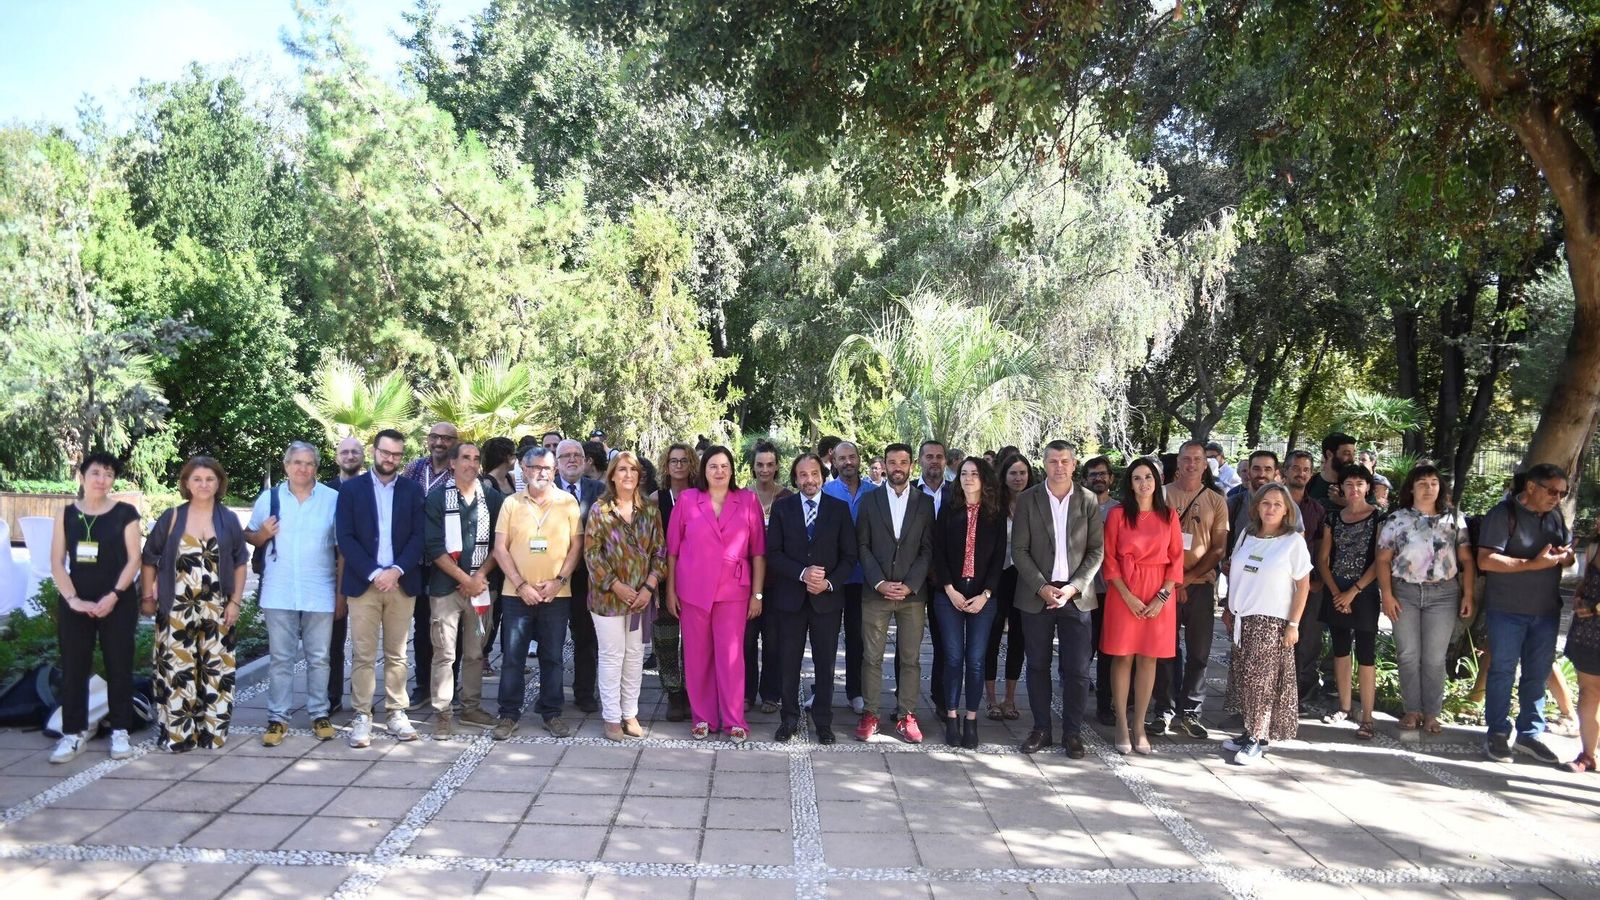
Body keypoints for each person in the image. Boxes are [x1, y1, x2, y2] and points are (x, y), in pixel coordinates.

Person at [141, 456, 249, 752]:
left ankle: (212, 734)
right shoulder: (172, 517)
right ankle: (178, 735)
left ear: (219, 483)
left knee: (217, 672)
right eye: (197, 479)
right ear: (186, 483)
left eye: (210, 479)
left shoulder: (228, 519)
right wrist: (147, 597)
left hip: (218, 607)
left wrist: (235, 602)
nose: (204, 484)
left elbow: (240, 562)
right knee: (177, 671)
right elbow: (149, 558)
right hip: (176, 608)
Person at [665, 445, 767, 742]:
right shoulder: (687, 500)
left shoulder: (747, 500)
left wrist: (757, 595)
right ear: (704, 470)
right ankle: (702, 717)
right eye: (713, 466)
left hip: (734, 591)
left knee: (731, 657)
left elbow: (758, 553)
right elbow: (672, 551)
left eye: (724, 466)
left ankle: (734, 720)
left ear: (732, 470)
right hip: (693, 591)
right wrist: (670, 591)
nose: (719, 471)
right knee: (697, 657)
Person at [47, 452, 142, 764]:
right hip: (76, 602)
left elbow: (134, 559)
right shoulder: (66, 514)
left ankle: (121, 731)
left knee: (119, 665)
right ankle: (73, 734)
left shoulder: (125, 513)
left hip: (118, 601)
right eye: (96, 473)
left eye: (109, 474)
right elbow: (57, 562)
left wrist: (114, 595)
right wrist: (73, 599)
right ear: (82, 476)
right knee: (74, 667)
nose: (102, 480)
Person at [1012, 441, 1105, 758]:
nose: (1059, 467)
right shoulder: (1028, 499)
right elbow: (1019, 550)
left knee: (1077, 669)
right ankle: (1041, 729)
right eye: (1053, 461)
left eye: (1065, 461)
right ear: (1044, 464)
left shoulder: (1088, 500)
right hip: (1037, 594)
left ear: (1074, 464)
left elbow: (1096, 550)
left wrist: (1074, 587)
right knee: (1037, 665)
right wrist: (1041, 586)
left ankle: (1072, 733)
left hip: (1076, 596)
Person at [1477, 462, 1573, 764]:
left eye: (1562, 493)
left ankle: (1529, 734)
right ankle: (1497, 732)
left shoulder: (1555, 516)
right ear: (1531, 486)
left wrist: (1566, 557)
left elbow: (1568, 555)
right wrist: (1531, 564)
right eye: (1552, 491)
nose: (1557, 498)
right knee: (1502, 670)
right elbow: (1485, 560)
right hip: (1507, 609)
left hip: (1546, 611)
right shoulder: (1502, 514)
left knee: (1537, 673)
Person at [245, 442, 340, 747]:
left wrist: (341, 593)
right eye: (297, 462)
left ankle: (319, 713)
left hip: (319, 588)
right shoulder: (269, 498)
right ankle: (277, 717)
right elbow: (250, 534)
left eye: (309, 463)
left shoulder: (332, 499)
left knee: (320, 658)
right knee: (281, 658)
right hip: (279, 589)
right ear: (286, 466)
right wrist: (262, 535)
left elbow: (342, 548)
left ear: (316, 467)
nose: (303, 468)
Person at [337, 430, 427, 748]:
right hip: (365, 583)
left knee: (398, 653)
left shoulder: (412, 490)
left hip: (401, 582)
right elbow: (345, 537)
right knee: (363, 653)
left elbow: (419, 536)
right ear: (374, 451)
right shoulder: (352, 490)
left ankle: (396, 712)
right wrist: (376, 573)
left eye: (396, 454)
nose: (390, 459)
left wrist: (396, 570)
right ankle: (362, 714)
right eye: (385, 452)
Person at [1375, 464, 1475, 734]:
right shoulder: (1397, 519)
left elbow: (1466, 559)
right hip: (1405, 592)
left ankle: (1432, 713)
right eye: (1422, 483)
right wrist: (1387, 594)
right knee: (1407, 654)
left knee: (1434, 657)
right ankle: (1411, 710)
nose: (1429, 488)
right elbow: (1382, 559)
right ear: (1412, 488)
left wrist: (1468, 594)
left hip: (1443, 594)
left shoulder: (1454, 518)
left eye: (1433, 482)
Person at [492, 446, 583, 739]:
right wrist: (521, 585)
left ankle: (551, 713)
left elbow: (577, 547)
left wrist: (559, 581)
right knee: (513, 657)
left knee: (552, 657)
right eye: (535, 467)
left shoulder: (568, 502)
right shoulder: (511, 504)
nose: (541, 473)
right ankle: (508, 715)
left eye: (547, 468)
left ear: (554, 471)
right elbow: (500, 549)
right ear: (524, 469)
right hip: (516, 594)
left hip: (556, 594)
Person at [766, 453, 857, 743]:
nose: (809, 480)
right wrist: (802, 573)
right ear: (795, 478)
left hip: (826, 601)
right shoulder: (783, 508)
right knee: (788, 663)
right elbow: (773, 553)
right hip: (790, 599)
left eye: (814, 474)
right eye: (803, 475)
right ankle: (789, 719)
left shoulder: (838, 509)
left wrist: (828, 583)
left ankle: (824, 722)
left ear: (822, 476)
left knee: (825, 664)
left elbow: (849, 556)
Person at [1223, 483, 1313, 765]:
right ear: (1257, 506)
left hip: (1270, 622)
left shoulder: (1293, 541)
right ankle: (1251, 731)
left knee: (1262, 682)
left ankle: (1256, 738)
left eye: (1277, 504)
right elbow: (1236, 573)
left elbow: (1303, 585)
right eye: (1265, 503)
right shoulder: (1247, 535)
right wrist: (1228, 608)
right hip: (1242, 618)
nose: (1270, 508)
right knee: (1245, 680)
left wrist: (1294, 624)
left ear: (1286, 510)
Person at [1101, 457, 1184, 755]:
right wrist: (1128, 596)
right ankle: (1122, 723)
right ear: (1129, 483)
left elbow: (1177, 559)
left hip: (1158, 594)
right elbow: (1109, 558)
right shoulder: (1117, 515)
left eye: (1148, 477)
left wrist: (1161, 597)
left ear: (1157, 481)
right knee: (1123, 657)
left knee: (1149, 659)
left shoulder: (1169, 515)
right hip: (1124, 592)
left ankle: (1139, 726)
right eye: (1137, 478)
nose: (1143, 483)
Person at [855, 442, 935, 743]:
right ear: (885, 465)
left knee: (911, 659)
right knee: (871, 658)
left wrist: (910, 584)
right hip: (876, 593)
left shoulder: (924, 502)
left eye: (903, 462)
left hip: (911, 595)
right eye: (892, 462)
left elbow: (927, 549)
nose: (897, 467)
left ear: (911, 465)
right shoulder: (869, 500)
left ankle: (906, 715)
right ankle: (871, 713)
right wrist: (879, 582)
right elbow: (862, 545)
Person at [423, 441, 503, 738]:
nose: (471, 463)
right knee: (444, 653)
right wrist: (463, 578)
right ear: (453, 463)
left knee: (474, 653)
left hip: (482, 587)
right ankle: (443, 712)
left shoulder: (492, 498)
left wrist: (478, 576)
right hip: (446, 589)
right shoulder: (436, 499)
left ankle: (471, 707)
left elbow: (500, 544)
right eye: (465, 458)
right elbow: (434, 546)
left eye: (476, 458)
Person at [584, 451, 665, 742]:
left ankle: (630, 713)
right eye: (621, 469)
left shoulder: (650, 511)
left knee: (634, 656)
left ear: (640, 475)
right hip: (607, 598)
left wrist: (649, 587)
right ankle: (611, 716)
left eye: (632, 469)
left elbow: (660, 553)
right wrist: (616, 586)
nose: (628, 474)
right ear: (612, 476)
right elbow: (592, 555)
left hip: (641, 598)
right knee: (612, 656)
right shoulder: (600, 510)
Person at [1151, 440, 1228, 740]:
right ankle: (1164, 710)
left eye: (1198, 459)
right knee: (1165, 650)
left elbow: (1218, 548)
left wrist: (1188, 577)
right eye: (1186, 458)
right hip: (1165, 586)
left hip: (1200, 586)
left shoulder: (1216, 500)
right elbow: (1152, 541)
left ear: (1205, 464)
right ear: (1178, 462)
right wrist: (1173, 580)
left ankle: (1191, 711)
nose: (1192, 464)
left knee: (1199, 652)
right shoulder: (1161, 495)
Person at [930, 457, 1007, 748]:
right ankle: (951, 717)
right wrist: (949, 589)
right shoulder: (948, 508)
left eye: (974, 473)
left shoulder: (995, 513)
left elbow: (999, 558)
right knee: (952, 658)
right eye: (963, 473)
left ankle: (971, 719)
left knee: (975, 660)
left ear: (984, 479)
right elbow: (937, 551)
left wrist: (986, 594)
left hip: (982, 598)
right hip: (949, 594)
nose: (968, 478)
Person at [1316, 464, 1383, 739]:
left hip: (1364, 592)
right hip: (1336, 589)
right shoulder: (1333, 518)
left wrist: (1353, 591)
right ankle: (1344, 706)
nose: (1354, 489)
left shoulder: (1379, 518)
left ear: (1368, 488)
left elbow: (1380, 560)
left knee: (1366, 652)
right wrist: (1336, 593)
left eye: (1359, 483)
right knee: (1340, 648)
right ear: (1340, 487)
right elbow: (1323, 559)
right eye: (1349, 483)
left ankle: (1367, 717)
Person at [402, 422, 459, 709]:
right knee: (422, 626)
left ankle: (451, 687)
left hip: (447, 562)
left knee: (449, 629)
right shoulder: (414, 469)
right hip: (416, 561)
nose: (440, 442)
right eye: (435, 437)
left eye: (446, 438)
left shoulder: (460, 470)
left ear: (455, 443)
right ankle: (423, 685)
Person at [821, 440, 879, 715]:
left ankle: (855, 691)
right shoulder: (826, 492)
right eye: (842, 458)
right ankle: (822, 691)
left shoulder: (874, 493)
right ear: (834, 461)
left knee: (857, 638)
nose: (848, 462)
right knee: (826, 638)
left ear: (859, 459)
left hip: (863, 578)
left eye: (852, 457)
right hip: (834, 577)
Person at [985, 452, 1036, 723]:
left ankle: (1010, 698)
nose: (1018, 478)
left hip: (1025, 579)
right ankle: (991, 699)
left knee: (1019, 638)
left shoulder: (1036, 503)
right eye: (1013, 473)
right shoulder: (993, 505)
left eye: (1023, 473)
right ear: (1003, 476)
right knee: (992, 636)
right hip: (998, 576)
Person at [554, 439, 604, 715]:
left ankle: (584, 693)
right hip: (552, 576)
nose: (572, 459)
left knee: (586, 638)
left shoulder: (599, 490)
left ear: (586, 461)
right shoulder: (546, 489)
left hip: (587, 578)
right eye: (566, 456)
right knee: (551, 638)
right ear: (557, 462)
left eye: (577, 455)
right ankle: (550, 695)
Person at [653, 443, 698, 721]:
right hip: (663, 579)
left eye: (684, 460)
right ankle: (673, 693)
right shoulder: (655, 499)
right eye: (673, 461)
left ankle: (693, 692)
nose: (679, 465)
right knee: (666, 640)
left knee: (694, 640)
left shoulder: (701, 496)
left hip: (694, 579)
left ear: (692, 464)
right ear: (666, 465)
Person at [745, 441, 791, 712]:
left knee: (774, 640)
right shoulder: (742, 497)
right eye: (760, 464)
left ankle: (771, 693)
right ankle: (746, 693)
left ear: (776, 467)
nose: (765, 469)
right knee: (746, 640)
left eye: (770, 464)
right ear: (753, 466)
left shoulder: (787, 498)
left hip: (778, 582)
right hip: (746, 582)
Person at [1282, 449, 1328, 708]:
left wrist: (1317, 580)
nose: (1301, 473)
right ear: (1285, 470)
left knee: (1307, 640)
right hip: (1276, 584)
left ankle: (1299, 696)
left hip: (1307, 584)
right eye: (1296, 468)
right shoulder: (1273, 502)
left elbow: (1320, 548)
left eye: (1306, 470)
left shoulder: (1317, 509)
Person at [913, 439, 954, 717]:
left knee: (944, 642)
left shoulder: (956, 492)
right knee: (908, 643)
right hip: (913, 578)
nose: (934, 461)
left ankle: (941, 699)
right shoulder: (908, 491)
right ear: (920, 460)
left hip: (945, 579)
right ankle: (904, 701)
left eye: (939, 456)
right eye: (929, 456)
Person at [326, 436, 367, 713]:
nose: (350, 456)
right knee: (333, 641)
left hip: (365, 573)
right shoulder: (324, 492)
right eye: (345, 452)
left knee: (364, 643)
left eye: (355, 452)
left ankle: (363, 699)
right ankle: (332, 697)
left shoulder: (373, 489)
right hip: (332, 574)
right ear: (337, 456)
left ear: (363, 456)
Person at [1079, 455, 1119, 727]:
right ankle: (1075, 705)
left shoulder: (1120, 511)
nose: (1098, 478)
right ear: (1084, 479)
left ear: (1111, 478)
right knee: (1082, 652)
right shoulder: (1076, 507)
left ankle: (1105, 705)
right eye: (1093, 474)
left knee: (1108, 652)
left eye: (1102, 473)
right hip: (1083, 590)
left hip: (1111, 592)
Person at [1561, 534, 1600, 771]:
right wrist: (1578, 599)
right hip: (1589, 634)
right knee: (1589, 693)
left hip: (1592, 621)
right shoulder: (1595, 547)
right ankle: (1587, 755)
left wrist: (1595, 608)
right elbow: (1585, 584)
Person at [1308, 432, 1359, 511]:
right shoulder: (1310, 484)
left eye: (1353, 453)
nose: (1352, 459)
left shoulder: (1360, 483)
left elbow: (1373, 512)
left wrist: (1345, 502)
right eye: (1347, 454)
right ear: (1329, 454)